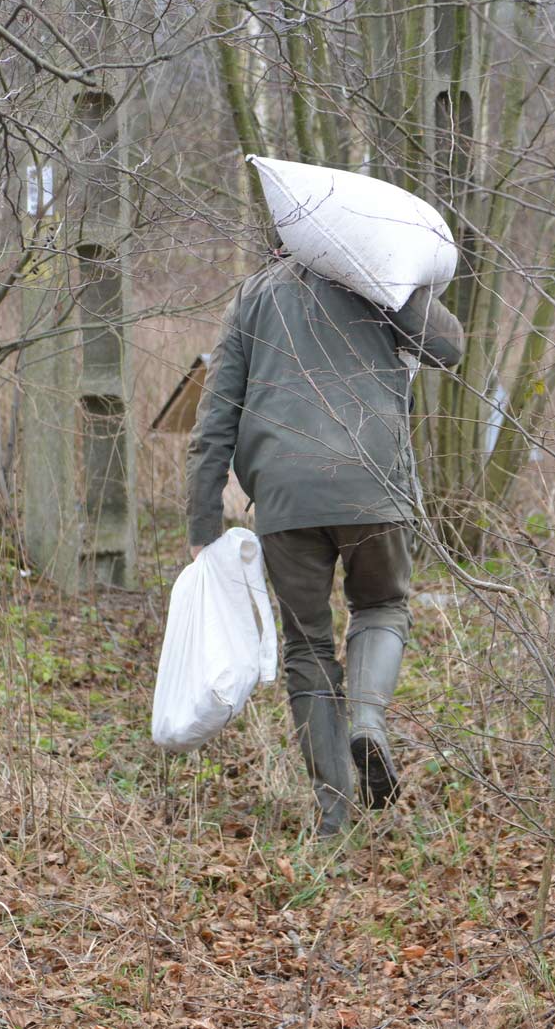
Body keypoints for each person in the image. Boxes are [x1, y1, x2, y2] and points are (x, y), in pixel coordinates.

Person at [186, 253, 464, 835]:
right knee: (382, 605)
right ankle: (367, 723)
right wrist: (405, 282)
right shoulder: (378, 272)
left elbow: (215, 418)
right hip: (374, 483)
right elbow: (448, 348)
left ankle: (335, 818)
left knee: (307, 648)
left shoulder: (253, 296)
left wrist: (202, 523)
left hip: (286, 496)